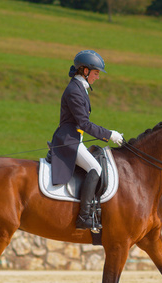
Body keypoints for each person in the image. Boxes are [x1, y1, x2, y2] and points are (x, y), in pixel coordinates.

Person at [49, 50, 124, 230]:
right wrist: (109, 134)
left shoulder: (79, 88)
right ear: (85, 71)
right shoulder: (74, 90)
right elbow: (84, 123)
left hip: (75, 137)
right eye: (96, 73)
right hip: (69, 140)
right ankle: (83, 217)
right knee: (95, 168)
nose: (98, 77)